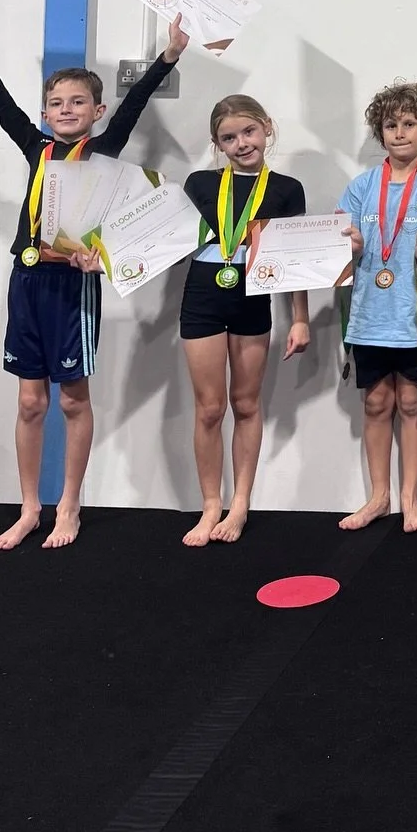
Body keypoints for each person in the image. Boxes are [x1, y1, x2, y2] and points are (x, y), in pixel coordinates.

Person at [0, 17, 188, 550]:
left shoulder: (103, 152)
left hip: (73, 286)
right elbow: (3, 106)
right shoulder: (35, 147)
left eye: (78, 102)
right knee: (29, 403)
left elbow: (136, 104)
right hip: (27, 279)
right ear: (44, 113)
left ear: (97, 111)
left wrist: (169, 56)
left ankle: (69, 505)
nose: (66, 110)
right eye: (56, 103)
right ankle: (29, 507)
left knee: (72, 401)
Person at [178, 96, 309, 546]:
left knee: (246, 403)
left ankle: (239, 504)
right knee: (209, 408)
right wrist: (114, 260)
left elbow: (293, 259)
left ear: (266, 127)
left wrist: (300, 319)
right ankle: (210, 504)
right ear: (217, 144)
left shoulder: (287, 189)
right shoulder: (199, 183)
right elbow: (166, 238)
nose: (241, 143)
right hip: (202, 296)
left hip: (253, 298)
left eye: (248, 132)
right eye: (229, 138)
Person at [337, 80, 417, 533]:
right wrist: (349, 245)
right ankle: (378, 497)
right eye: (390, 125)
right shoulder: (361, 186)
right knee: (376, 403)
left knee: (413, 403)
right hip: (369, 315)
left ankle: (411, 500)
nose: (399, 133)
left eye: (409, 123)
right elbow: (337, 251)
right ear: (379, 132)